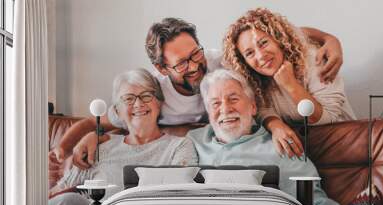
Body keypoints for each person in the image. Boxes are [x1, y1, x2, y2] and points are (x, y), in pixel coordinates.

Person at [49, 17, 344, 171]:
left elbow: (272, 36)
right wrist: (64, 148)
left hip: (237, 148)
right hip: (194, 154)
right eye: (182, 63)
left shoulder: (222, 62)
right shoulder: (152, 92)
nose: (195, 66)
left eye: (196, 53)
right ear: (161, 68)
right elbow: (99, 121)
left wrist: (328, 38)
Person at [187, 68, 345, 205]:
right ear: (208, 113)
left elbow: (316, 204)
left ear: (253, 107)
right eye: (215, 104)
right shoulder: (192, 142)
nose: (225, 109)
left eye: (233, 99)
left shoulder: (281, 147)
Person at [48, 69, 198, 205]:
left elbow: (181, 196)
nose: (138, 104)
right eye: (128, 99)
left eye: (147, 96)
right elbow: (57, 194)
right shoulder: (99, 147)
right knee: (68, 202)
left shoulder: (179, 146)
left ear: (159, 103)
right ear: (117, 111)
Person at [223, 8, 356, 157]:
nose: (260, 56)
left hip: (345, 146)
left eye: (263, 43)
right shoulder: (255, 80)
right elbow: (262, 110)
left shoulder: (313, 59)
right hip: (304, 153)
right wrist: (275, 125)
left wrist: (290, 84)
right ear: (244, 61)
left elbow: (327, 118)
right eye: (249, 53)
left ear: (278, 39)